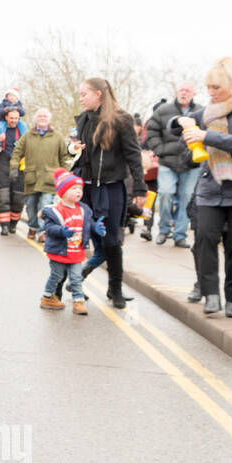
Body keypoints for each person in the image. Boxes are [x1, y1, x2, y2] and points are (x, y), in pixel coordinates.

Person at [174, 58, 232, 317]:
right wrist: (180, 122)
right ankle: (210, 294)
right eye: (208, 87)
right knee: (204, 241)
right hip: (210, 189)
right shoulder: (204, 113)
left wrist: (206, 136)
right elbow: (175, 128)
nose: (211, 92)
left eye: (216, 87)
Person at [69, 77, 146, 308]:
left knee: (112, 240)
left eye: (84, 94)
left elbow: (133, 154)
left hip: (112, 188)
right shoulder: (83, 119)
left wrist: (140, 187)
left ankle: (116, 289)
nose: (81, 98)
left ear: (98, 94)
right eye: (80, 94)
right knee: (88, 238)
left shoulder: (122, 120)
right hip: (87, 188)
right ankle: (76, 282)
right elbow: (79, 154)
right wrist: (73, 149)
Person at [144, 82, 202, 248]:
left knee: (186, 198)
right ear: (177, 92)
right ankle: (163, 230)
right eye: (181, 90)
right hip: (168, 161)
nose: (184, 93)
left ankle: (180, 235)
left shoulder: (200, 111)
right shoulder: (164, 110)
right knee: (166, 194)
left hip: (191, 163)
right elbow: (152, 132)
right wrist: (160, 150)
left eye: (188, 90)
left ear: (193, 93)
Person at [39, 168, 103, 315]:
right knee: (57, 276)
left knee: (76, 278)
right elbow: (49, 227)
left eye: (80, 188)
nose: (78, 191)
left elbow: (88, 223)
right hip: (59, 251)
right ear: (63, 192)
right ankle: (47, 297)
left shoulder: (84, 209)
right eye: (74, 188)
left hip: (76, 252)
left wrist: (96, 227)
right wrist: (61, 231)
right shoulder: (55, 211)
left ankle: (78, 302)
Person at [10, 108, 69, 241]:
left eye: (45, 116)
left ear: (49, 119)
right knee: (31, 206)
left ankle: (43, 232)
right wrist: (14, 167)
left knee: (46, 206)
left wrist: (65, 174)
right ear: (36, 119)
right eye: (40, 116)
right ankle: (33, 227)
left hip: (50, 179)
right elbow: (16, 152)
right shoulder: (27, 136)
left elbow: (64, 157)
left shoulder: (57, 136)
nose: (42, 118)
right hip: (31, 178)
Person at [0, 108, 26, 235]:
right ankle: (4, 226)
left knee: (18, 199)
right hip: (3, 165)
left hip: (19, 167)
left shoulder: (23, 132)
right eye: (12, 118)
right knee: (3, 198)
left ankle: (13, 224)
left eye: (16, 118)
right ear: (6, 118)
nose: (14, 120)